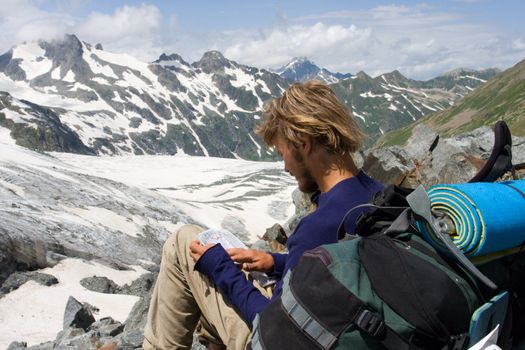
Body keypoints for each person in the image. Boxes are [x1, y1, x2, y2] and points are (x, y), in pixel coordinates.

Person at [143, 80, 384, 350]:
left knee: (183, 243)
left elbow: (273, 323)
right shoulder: (380, 195)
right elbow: (342, 266)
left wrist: (219, 266)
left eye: (283, 154)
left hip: (289, 338)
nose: (284, 168)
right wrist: (276, 262)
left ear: (303, 143)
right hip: (356, 328)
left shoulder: (320, 225)